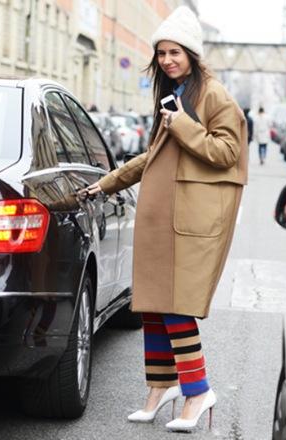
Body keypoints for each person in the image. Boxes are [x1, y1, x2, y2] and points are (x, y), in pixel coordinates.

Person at [84, 5, 247, 433]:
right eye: (162, 54)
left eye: (175, 52)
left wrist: (183, 127)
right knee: (154, 306)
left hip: (190, 221)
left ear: (192, 53)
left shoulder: (214, 95)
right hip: (162, 218)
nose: (168, 60)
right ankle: (160, 387)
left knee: (176, 306)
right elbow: (153, 155)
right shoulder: (177, 95)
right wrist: (108, 183)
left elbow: (228, 153)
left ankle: (197, 391)